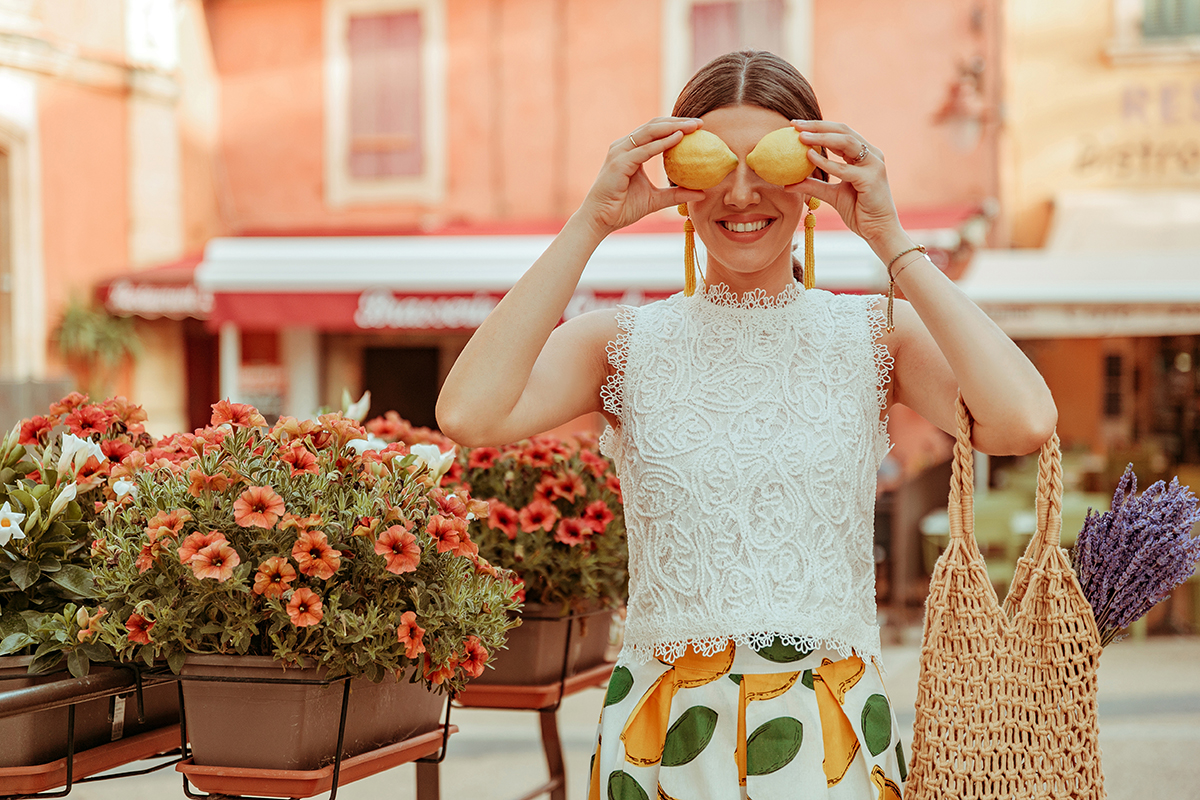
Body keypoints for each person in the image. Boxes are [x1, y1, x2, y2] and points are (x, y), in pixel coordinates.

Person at [436, 50, 1055, 800]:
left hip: (829, 731)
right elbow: (468, 413)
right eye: (713, 165)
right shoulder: (621, 345)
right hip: (661, 728)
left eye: (768, 162)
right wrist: (592, 221)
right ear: (680, 184)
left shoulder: (873, 337)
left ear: (813, 182)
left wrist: (891, 238)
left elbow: (1024, 420)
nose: (739, 193)